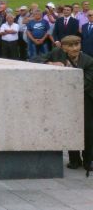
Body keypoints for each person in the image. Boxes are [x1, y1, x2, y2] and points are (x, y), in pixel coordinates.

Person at [39, 35, 93, 174]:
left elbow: (85, 84)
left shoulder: (88, 61)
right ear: (63, 47)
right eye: (71, 45)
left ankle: (89, 160)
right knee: (70, 128)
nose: (75, 48)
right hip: (66, 100)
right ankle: (74, 160)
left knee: (88, 129)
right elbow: (36, 59)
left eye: (77, 45)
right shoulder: (57, 54)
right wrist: (50, 64)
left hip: (86, 99)